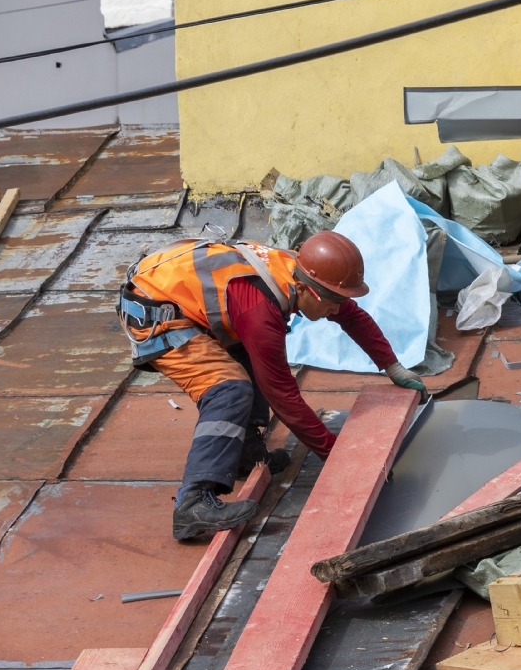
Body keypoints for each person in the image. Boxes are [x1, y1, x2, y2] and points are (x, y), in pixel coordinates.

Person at [116, 231, 427, 540]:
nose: (336, 310)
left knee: (248, 357)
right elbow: (284, 397)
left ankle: (245, 456)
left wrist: (392, 365)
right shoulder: (260, 313)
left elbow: (352, 316)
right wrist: (337, 459)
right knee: (229, 387)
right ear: (308, 290)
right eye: (333, 304)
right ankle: (193, 503)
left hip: (186, 300)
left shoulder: (309, 273)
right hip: (157, 316)